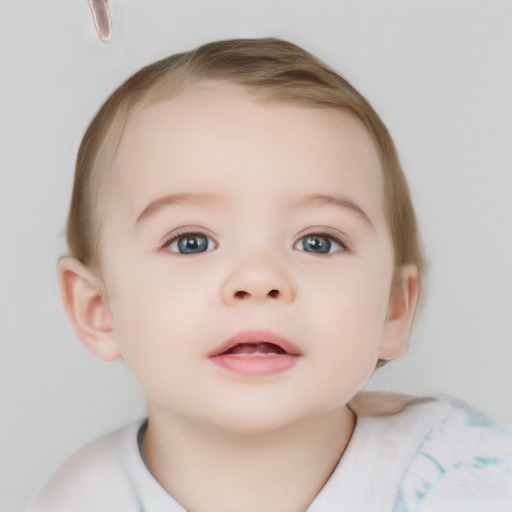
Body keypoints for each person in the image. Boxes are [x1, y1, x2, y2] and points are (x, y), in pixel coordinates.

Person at [25, 38, 512, 512]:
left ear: (393, 310)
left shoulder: (469, 477)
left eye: (318, 241)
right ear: (99, 310)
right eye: (191, 242)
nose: (258, 279)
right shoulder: (76, 502)